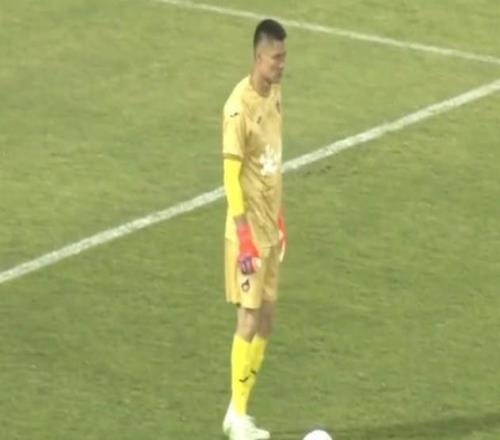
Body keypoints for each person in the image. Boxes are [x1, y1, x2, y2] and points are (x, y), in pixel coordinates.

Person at [221, 18, 288, 440]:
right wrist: (244, 237)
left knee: (266, 320)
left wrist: (280, 218)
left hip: (269, 228)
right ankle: (239, 418)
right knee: (248, 318)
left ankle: (237, 409)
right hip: (246, 235)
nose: (282, 65)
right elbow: (230, 178)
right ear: (258, 57)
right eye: (276, 58)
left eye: (284, 57)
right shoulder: (237, 109)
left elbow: (272, 164)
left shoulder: (275, 94)